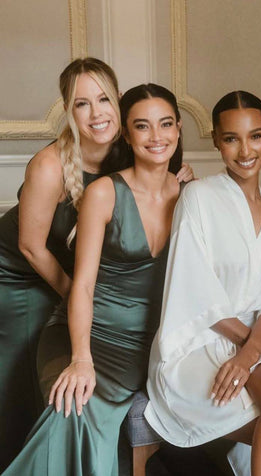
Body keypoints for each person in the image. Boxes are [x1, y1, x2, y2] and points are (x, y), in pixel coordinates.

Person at [0, 58, 193, 470]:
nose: (96, 113)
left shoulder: (131, 145)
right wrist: (83, 302)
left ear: (120, 103)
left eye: (104, 99)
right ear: (69, 112)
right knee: (22, 385)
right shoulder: (50, 165)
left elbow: (153, 186)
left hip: (79, 280)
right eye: (82, 104)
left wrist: (180, 178)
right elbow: (33, 248)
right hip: (20, 274)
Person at [145, 91, 261, 476]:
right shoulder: (199, 197)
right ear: (216, 140)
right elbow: (196, 291)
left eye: (255, 136)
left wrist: (250, 354)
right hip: (198, 342)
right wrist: (252, 352)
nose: (245, 150)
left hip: (253, 342)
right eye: (231, 138)